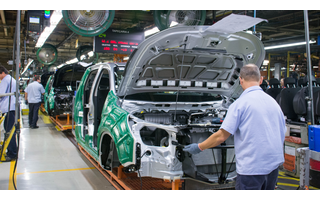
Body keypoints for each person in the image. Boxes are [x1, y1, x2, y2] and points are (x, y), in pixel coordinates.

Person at [183, 64, 286, 190]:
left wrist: (199, 147)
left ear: (240, 80)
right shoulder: (273, 103)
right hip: (272, 167)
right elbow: (282, 132)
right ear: (261, 80)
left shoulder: (240, 105)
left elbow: (221, 137)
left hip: (252, 169)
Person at [0, 64, 17, 161]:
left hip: (9, 107)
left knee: (9, 131)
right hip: (11, 107)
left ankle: (12, 154)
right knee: (10, 131)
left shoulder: (5, 80)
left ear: (2, 73)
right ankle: (12, 151)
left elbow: (0, 94)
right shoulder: (12, 79)